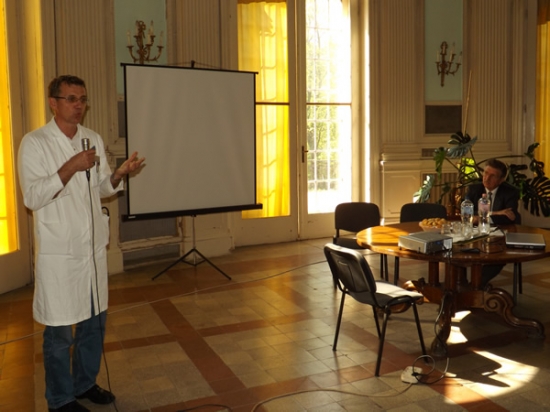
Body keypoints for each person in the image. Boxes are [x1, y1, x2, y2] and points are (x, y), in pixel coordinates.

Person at [17, 75, 145, 412]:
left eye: (83, 99)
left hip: (91, 251)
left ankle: (85, 383)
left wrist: (118, 175)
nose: (79, 105)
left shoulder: (92, 138)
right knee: (60, 333)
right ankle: (60, 399)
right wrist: (71, 166)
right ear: (53, 103)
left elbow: (100, 186)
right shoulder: (35, 143)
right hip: (60, 253)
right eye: (71, 99)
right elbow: (33, 196)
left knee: (94, 324)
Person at [466, 158, 520, 287]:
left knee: (499, 258)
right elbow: (467, 213)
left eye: (492, 176)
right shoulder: (473, 189)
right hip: (475, 235)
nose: (487, 178)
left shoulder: (510, 192)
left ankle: (475, 286)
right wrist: (496, 213)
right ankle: (460, 285)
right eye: (485, 173)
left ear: (501, 180)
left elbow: (509, 217)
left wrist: (482, 217)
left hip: (499, 237)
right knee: (457, 253)